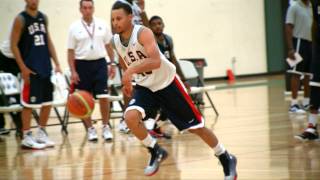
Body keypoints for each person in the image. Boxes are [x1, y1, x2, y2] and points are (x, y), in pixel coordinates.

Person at [111, 2, 237, 178]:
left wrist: (130, 71)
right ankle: (155, 150)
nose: (115, 22)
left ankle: (225, 156)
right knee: (130, 117)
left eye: (119, 18)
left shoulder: (143, 33)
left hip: (167, 83)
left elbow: (155, 61)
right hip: (145, 86)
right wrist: (128, 81)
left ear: (130, 17)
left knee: (196, 127)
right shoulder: (115, 40)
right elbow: (125, 61)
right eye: (113, 19)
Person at [10, 0, 61, 149]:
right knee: (28, 104)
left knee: (47, 102)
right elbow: (13, 45)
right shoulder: (20, 19)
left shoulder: (43, 17)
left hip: (45, 66)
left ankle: (41, 132)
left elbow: (48, 41)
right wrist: (23, 68)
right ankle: (26, 136)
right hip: (30, 68)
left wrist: (57, 63)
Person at [68, 0, 115, 141]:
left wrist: (112, 64)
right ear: (80, 9)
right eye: (85, 8)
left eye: (90, 7)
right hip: (82, 65)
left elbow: (109, 46)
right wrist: (73, 71)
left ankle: (106, 127)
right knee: (83, 99)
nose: (88, 10)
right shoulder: (74, 27)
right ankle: (90, 129)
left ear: (93, 8)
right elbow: (70, 52)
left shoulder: (102, 24)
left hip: (100, 64)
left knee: (104, 97)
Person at [147, 15, 187, 138]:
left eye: (160, 23)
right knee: (161, 106)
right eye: (154, 24)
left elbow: (173, 59)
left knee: (171, 105)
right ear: (150, 27)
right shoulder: (150, 40)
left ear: (163, 25)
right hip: (155, 79)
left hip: (168, 78)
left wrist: (183, 79)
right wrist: (142, 11)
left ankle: (156, 127)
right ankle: (152, 128)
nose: (158, 26)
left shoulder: (168, 40)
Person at [113, 0, 149, 134]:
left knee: (143, 84)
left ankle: (142, 117)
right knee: (129, 85)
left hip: (142, 50)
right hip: (128, 50)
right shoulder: (119, 5)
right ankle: (125, 118)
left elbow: (147, 27)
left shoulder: (137, 5)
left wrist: (143, 11)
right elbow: (116, 31)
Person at [295, 0, 320, 141]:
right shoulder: (315, 3)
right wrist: (315, 47)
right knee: (315, 86)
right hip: (318, 49)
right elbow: (315, 24)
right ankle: (312, 127)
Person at [285, 0, 313, 113]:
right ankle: (294, 104)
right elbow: (288, 27)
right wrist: (291, 48)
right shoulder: (294, 7)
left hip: (311, 43)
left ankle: (306, 103)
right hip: (298, 43)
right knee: (296, 73)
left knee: (308, 75)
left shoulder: (312, 6)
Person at [0, 39, 23, 137]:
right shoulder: (19, 25)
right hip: (4, 57)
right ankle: (1, 126)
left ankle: (20, 127)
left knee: (15, 94)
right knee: (3, 93)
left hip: (15, 59)